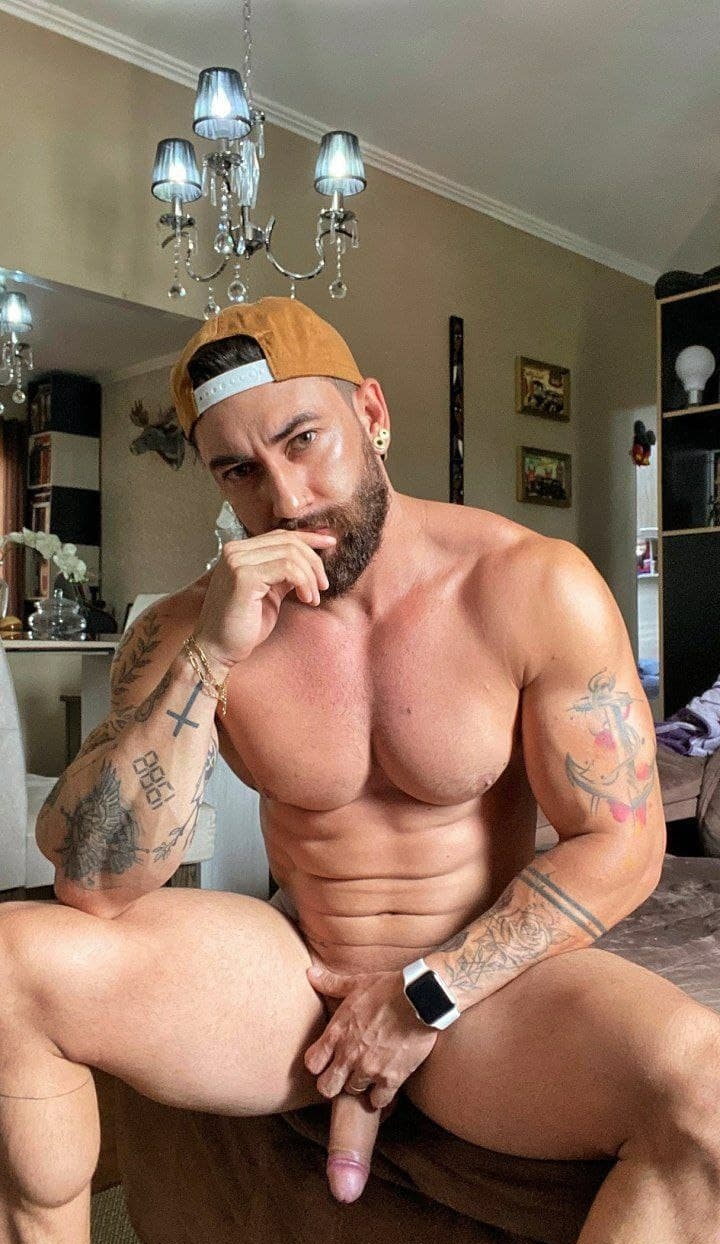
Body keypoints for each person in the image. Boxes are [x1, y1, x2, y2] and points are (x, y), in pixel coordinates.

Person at [1, 296, 718, 1244]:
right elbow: (91, 882)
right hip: (296, 982)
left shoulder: (531, 584)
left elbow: (622, 845)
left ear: (372, 414)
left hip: (486, 999)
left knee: (707, 1094)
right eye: (239, 470)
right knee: (9, 960)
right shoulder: (187, 625)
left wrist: (426, 994)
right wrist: (211, 656)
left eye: (304, 440)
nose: (287, 498)